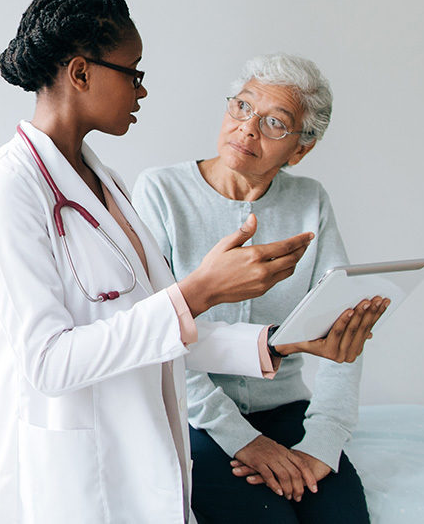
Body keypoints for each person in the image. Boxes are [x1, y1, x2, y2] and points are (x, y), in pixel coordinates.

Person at [0, 0, 384, 524]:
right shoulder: (8, 187)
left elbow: (159, 330)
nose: (142, 90)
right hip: (69, 467)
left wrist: (275, 345)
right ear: (80, 73)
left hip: (139, 444)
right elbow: (49, 362)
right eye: (133, 72)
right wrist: (202, 290)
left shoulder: (104, 183)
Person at [133, 53, 383, 523]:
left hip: (284, 409)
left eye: (274, 122)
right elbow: (157, 336)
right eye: (242, 107)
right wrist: (243, 440)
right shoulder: (161, 192)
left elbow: (343, 333)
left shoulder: (311, 201)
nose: (248, 128)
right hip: (193, 415)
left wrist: (323, 445)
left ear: (301, 149)